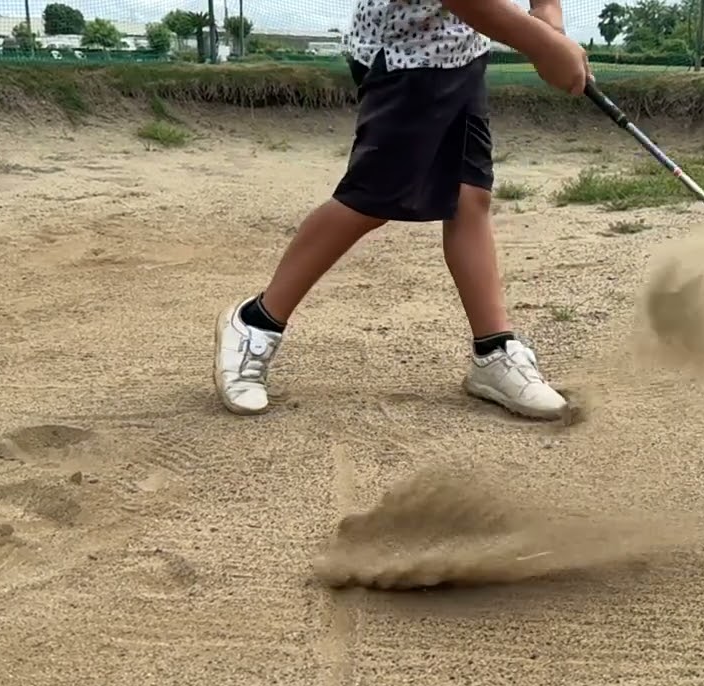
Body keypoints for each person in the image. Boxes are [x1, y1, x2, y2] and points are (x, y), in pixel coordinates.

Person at [214, 0, 591, 420]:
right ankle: (255, 321)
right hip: (402, 55)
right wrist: (542, 44)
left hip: (461, 52)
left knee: (469, 196)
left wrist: (550, 23)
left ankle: (494, 350)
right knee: (371, 200)